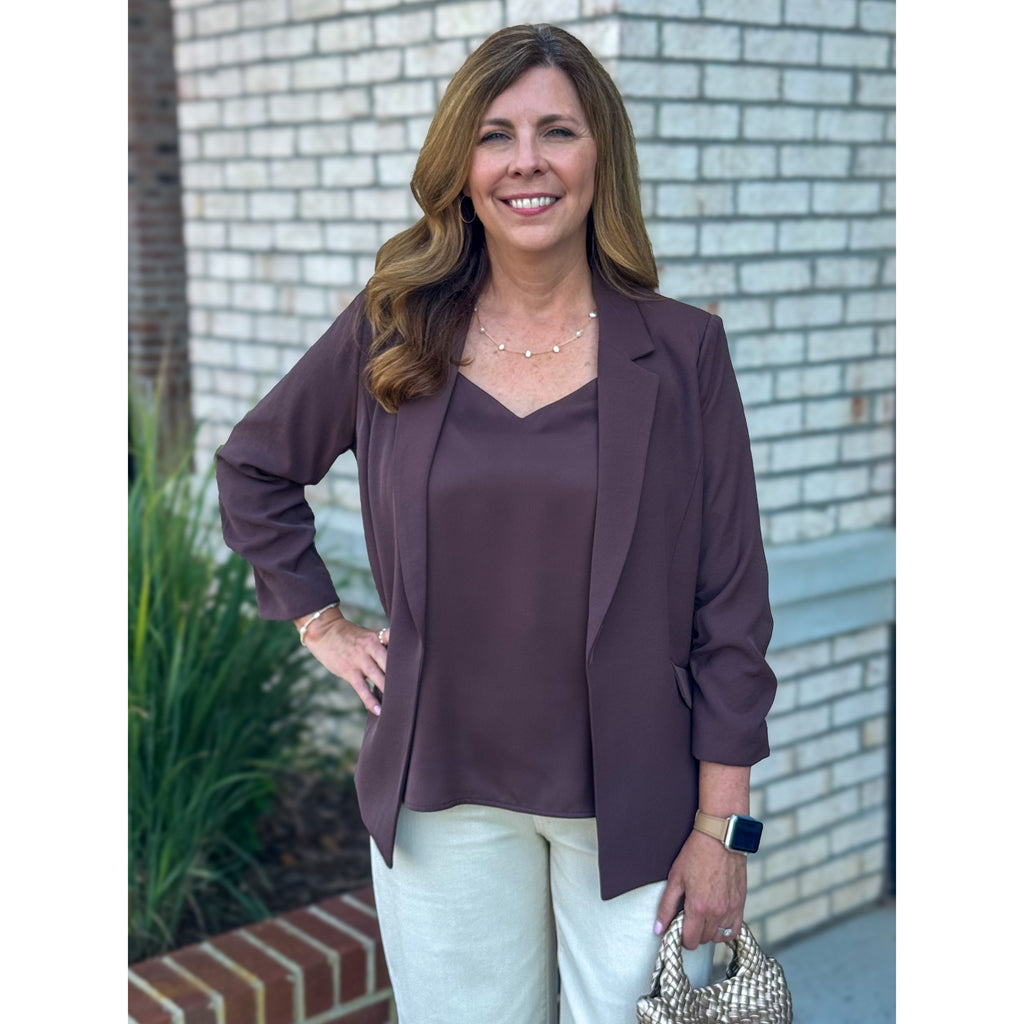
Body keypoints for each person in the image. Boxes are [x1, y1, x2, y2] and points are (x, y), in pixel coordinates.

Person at [216, 23, 777, 1024]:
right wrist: (322, 625)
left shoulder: (683, 352)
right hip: (444, 785)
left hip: (638, 799)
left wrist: (722, 829)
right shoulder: (391, 330)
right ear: (460, 167)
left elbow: (729, 605)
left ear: (599, 155)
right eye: (495, 134)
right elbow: (254, 468)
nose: (526, 161)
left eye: (556, 130)